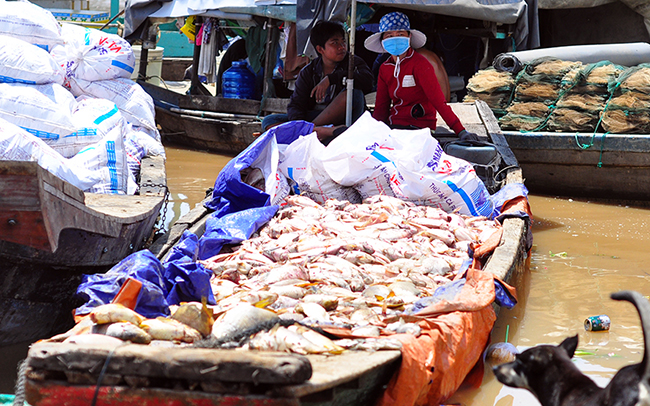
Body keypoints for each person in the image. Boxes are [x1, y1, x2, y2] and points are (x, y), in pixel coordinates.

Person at [364, 12, 476, 140]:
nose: (395, 38)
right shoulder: (385, 68)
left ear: (409, 37)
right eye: (389, 36)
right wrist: (374, 131)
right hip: (395, 126)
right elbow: (381, 108)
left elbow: (438, 102)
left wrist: (460, 130)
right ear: (383, 41)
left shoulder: (420, 64)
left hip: (420, 128)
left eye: (400, 34)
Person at [261, 21, 374, 141]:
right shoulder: (308, 72)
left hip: (345, 119)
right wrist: (298, 122)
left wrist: (332, 79)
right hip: (319, 117)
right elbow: (296, 104)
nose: (342, 47)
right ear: (320, 49)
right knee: (270, 121)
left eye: (343, 42)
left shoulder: (353, 62)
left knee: (354, 94)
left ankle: (310, 132)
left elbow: (368, 81)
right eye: (335, 43)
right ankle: (319, 131)